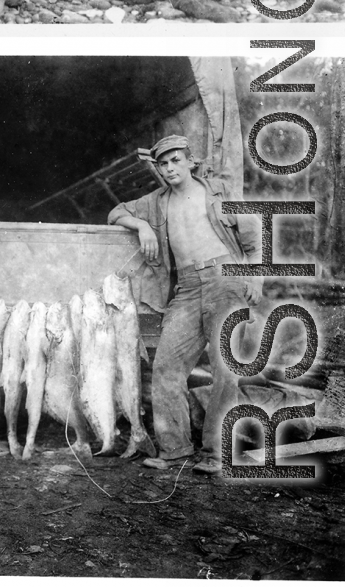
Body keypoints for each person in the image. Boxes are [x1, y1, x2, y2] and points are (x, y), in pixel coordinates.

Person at [107, 134, 261, 475]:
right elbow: (116, 212)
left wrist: (255, 277)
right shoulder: (157, 201)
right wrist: (143, 225)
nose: (170, 168)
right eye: (163, 163)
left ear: (191, 161)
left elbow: (253, 236)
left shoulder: (217, 191)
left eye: (176, 160)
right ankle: (174, 449)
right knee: (166, 367)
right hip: (188, 288)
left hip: (226, 278)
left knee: (225, 371)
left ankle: (216, 454)